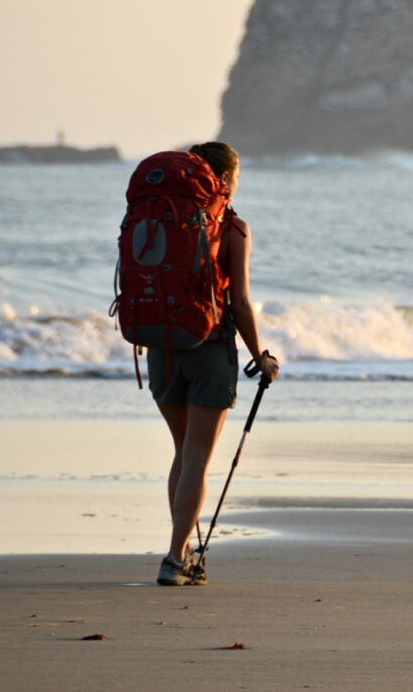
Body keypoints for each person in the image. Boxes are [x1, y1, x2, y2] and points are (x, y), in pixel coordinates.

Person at [150, 141, 279, 586]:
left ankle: (181, 550)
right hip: (209, 348)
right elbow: (240, 301)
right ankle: (173, 558)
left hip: (161, 348)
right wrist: (259, 355)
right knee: (198, 458)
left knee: (182, 453)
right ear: (224, 181)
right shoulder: (233, 228)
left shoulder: (161, 221)